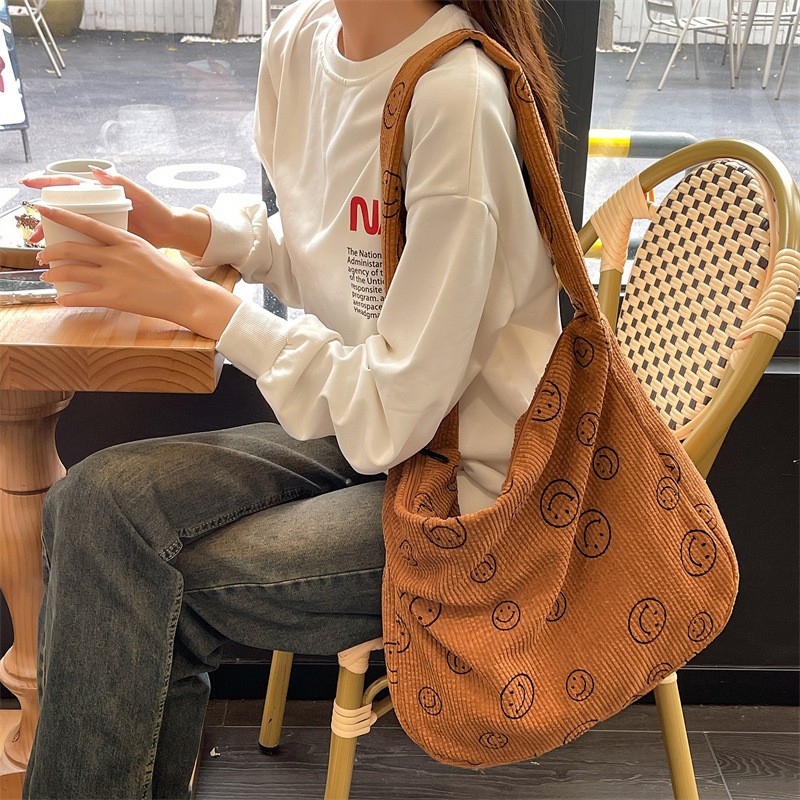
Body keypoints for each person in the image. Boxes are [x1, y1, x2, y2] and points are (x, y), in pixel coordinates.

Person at [20, 0, 563, 796]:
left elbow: (390, 417)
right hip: (376, 431)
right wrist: (182, 230)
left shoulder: (457, 100)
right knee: (88, 507)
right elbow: (321, 251)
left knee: (129, 573)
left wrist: (194, 301)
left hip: (472, 493)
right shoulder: (301, 40)